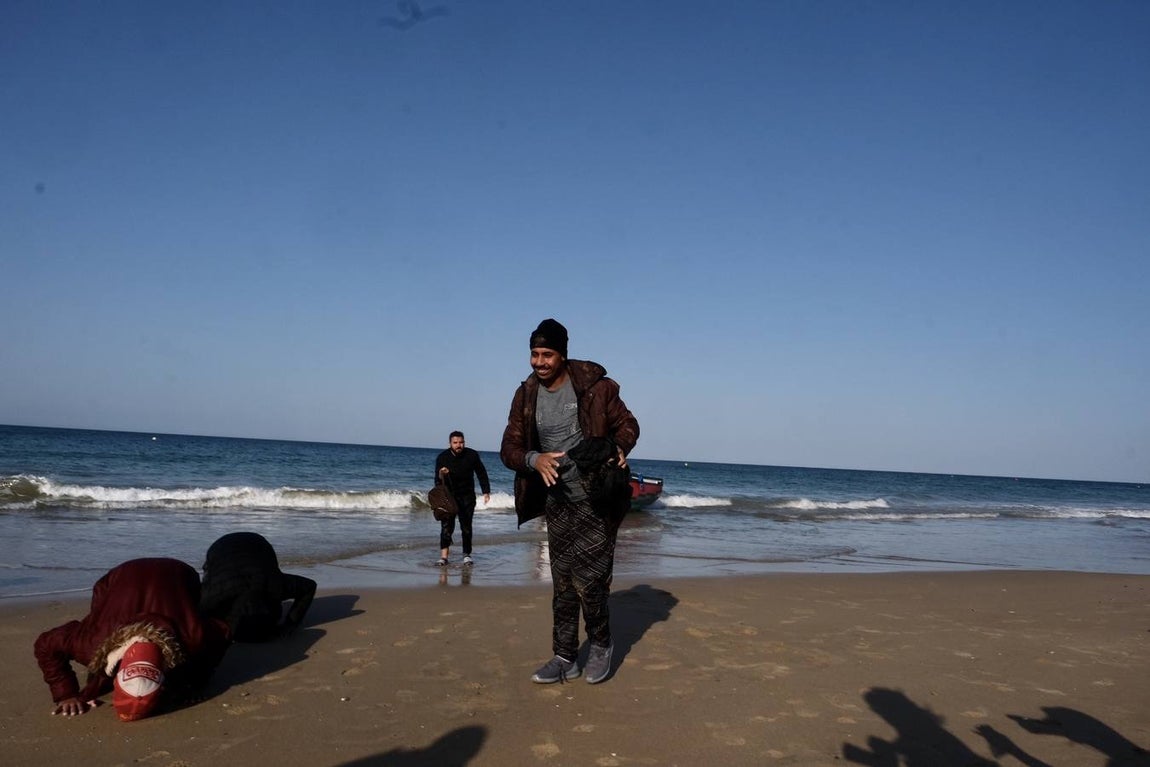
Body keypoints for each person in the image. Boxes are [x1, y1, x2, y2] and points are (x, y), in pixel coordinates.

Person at [500, 318, 639, 685]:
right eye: (534, 354)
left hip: (597, 499)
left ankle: (601, 644)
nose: (539, 362)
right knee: (562, 583)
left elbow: (628, 424)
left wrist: (620, 447)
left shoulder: (597, 387)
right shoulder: (526, 394)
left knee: (591, 582)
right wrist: (535, 459)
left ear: (562, 355)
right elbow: (509, 448)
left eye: (547, 354)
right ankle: (564, 656)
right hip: (558, 502)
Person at [33, 557, 230, 720]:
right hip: (121, 575)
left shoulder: (193, 638)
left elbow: (223, 632)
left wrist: (194, 683)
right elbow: (46, 645)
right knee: (99, 618)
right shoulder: (91, 643)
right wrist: (67, 694)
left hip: (181, 573)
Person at [200, 531, 317, 642]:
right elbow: (309, 586)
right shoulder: (215, 593)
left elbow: (310, 586)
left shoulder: (275, 585)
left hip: (254, 548)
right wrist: (291, 623)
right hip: (223, 548)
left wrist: (291, 623)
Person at [434, 431, 491, 566]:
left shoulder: (472, 455)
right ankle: (443, 557)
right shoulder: (443, 457)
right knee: (447, 527)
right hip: (449, 497)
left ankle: (467, 555)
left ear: (464, 442)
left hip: (467, 496)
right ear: (450, 444)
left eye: (461, 442)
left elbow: (481, 473)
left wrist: (486, 491)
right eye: (455, 443)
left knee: (466, 527)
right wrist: (442, 474)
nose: (459, 445)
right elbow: (437, 481)